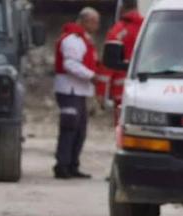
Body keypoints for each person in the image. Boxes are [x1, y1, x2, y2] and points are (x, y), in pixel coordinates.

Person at [53, 7, 100, 179]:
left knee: (79, 130)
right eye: (95, 22)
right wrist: (92, 76)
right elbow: (71, 65)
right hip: (69, 90)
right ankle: (62, 165)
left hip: (79, 91)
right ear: (85, 20)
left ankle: (72, 164)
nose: (97, 26)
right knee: (69, 128)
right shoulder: (73, 40)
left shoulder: (84, 39)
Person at [102, 0, 144, 123]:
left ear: (121, 7)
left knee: (122, 128)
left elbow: (108, 63)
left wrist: (101, 91)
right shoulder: (148, 26)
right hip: (150, 88)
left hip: (122, 90)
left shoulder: (119, 29)